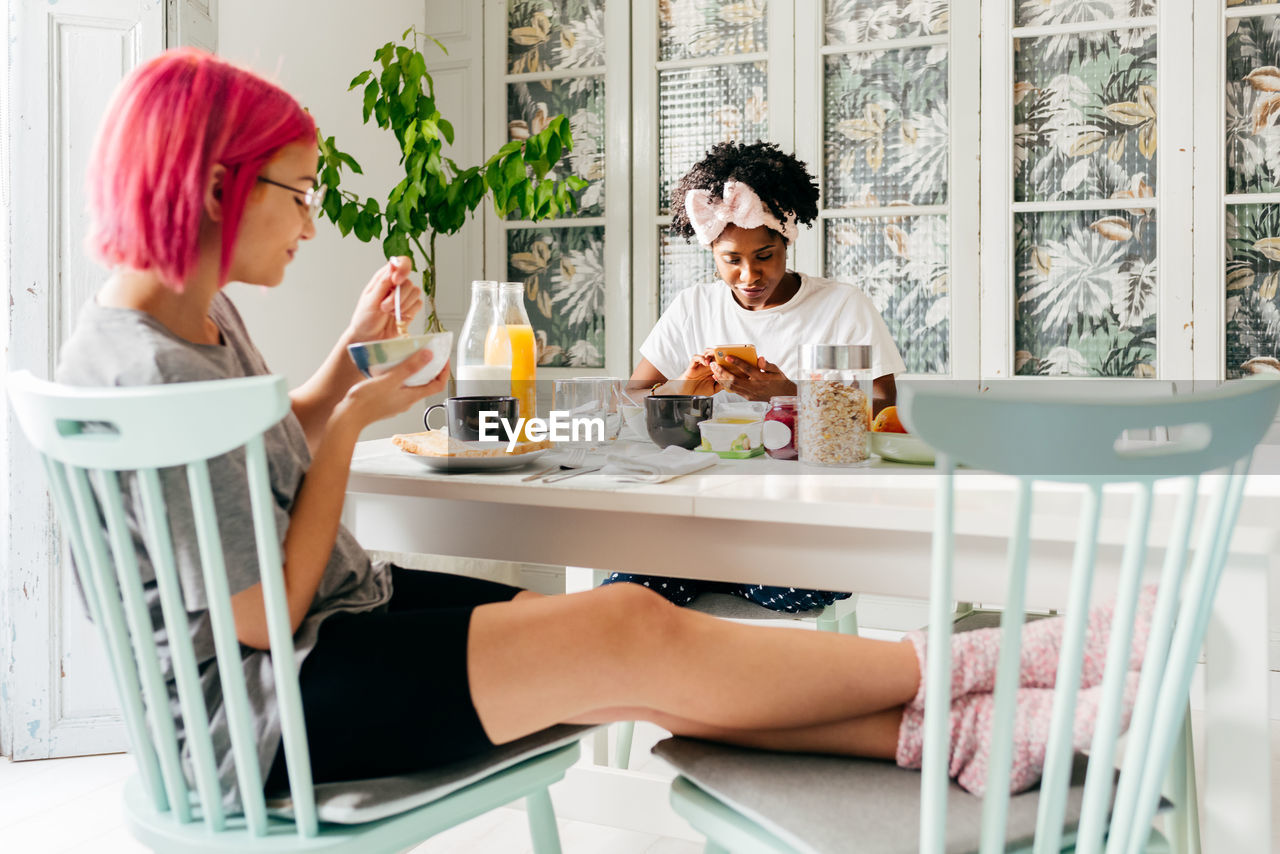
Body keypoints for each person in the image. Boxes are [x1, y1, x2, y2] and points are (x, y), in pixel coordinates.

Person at [61, 48, 1144, 813]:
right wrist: (351, 425)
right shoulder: (152, 369)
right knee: (626, 632)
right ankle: (976, 664)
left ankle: (964, 735)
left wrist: (346, 361)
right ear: (215, 185)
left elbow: (260, 450)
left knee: (629, 646)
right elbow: (259, 617)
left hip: (322, 641)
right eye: (296, 192)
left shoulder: (177, 322)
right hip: (266, 708)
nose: (309, 217)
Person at [607, 141, 907, 612]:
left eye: (765, 254)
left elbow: (880, 405)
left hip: (799, 518)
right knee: (621, 597)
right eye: (731, 259)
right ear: (712, 253)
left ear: (787, 241)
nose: (749, 275)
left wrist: (789, 391)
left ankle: (718, 578)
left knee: (799, 591)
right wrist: (687, 386)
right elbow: (635, 394)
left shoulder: (841, 305)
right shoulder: (693, 307)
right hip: (698, 515)